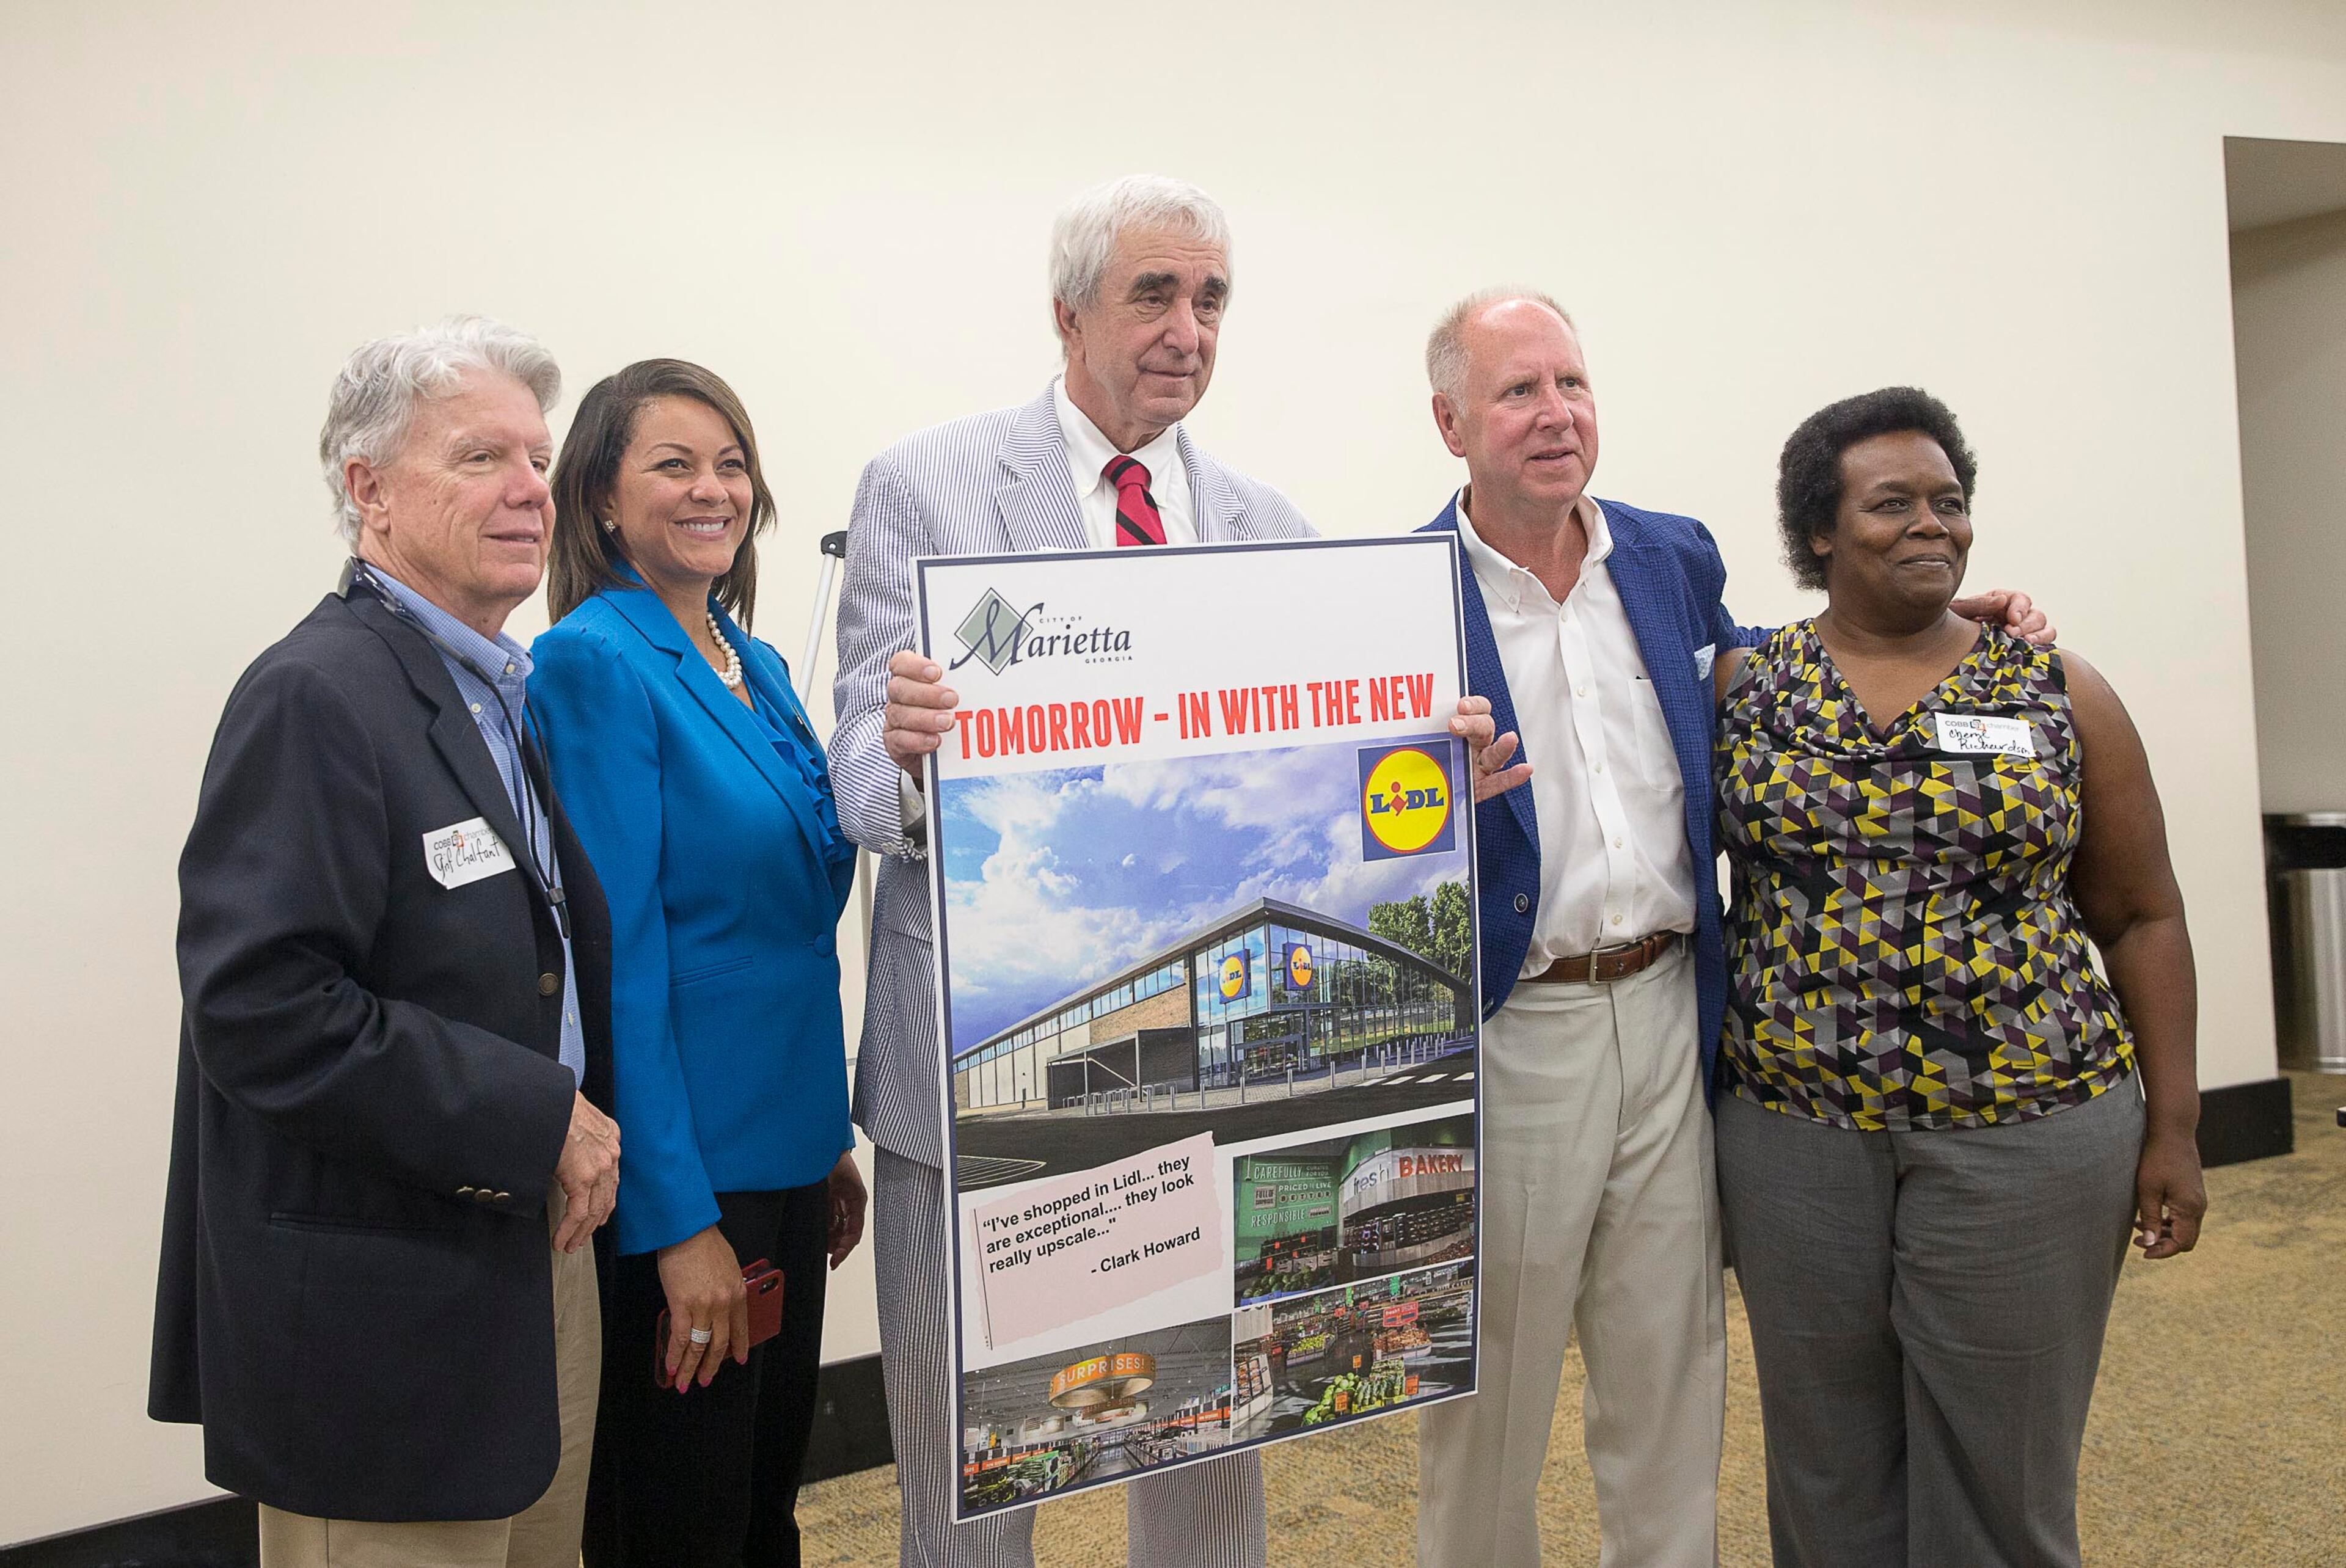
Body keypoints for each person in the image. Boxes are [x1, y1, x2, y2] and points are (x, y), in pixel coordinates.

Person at [833, 174, 1519, 1568]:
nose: (1187, 330)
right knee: (973, 1480)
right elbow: (850, 766)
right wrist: (909, 756)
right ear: (1068, 312)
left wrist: (1428, 766)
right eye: (1154, 294)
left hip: (1219, 1073)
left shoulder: (1267, 518)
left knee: (1212, 1432)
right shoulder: (930, 479)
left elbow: (1331, 765)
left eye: (1211, 300)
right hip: (985, 1070)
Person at [1409, 290, 2050, 1568]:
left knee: (1670, 1368)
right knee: (1491, 1393)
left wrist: (1946, 629)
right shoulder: (1391, 595)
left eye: (1573, 385)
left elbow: (1757, 665)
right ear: (1451, 422)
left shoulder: (1668, 553)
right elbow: (1351, 825)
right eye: (1521, 391)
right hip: (1511, 1026)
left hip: (1670, 1011)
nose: (1557, 415)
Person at [150, 316, 622, 1567]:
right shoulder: (316, 693)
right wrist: (539, 1115)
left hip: (525, 1262)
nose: (532, 487)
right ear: (369, 490)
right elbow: (264, 1010)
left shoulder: (490, 690)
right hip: (381, 1318)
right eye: (481, 458)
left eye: (537, 455)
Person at [1711, 387, 2205, 1568]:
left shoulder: (2054, 689)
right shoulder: (1742, 691)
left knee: (2004, 1474)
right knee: (1827, 1470)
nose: (1933, 525)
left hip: (2029, 1134)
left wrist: (2177, 1130)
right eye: (1893, 504)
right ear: (1820, 533)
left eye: (1950, 501)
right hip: (1796, 1139)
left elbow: (2143, 916)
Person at [528, 359, 867, 1567]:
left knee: (761, 1506)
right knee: (680, 1525)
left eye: (730, 464)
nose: (712, 488)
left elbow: (785, 924)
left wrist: (824, 1141)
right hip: (690, 1176)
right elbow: (620, 961)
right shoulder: (593, 663)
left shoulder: (753, 663)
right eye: (674, 464)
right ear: (603, 502)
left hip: (779, 1153)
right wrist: (676, 1227)